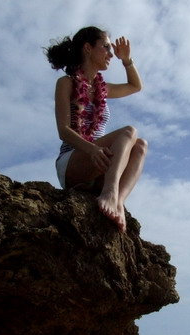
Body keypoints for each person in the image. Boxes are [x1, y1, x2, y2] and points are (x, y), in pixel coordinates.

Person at [45, 26, 145, 233]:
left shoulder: (103, 88)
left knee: (141, 146)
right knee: (129, 132)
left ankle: (117, 202)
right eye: (106, 47)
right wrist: (92, 150)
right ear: (88, 48)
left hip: (100, 163)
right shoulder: (66, 83)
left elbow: (135, 86)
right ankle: (109, 191)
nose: (110, 53)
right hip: (73, 161)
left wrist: (126, 60)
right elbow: (63, 130)